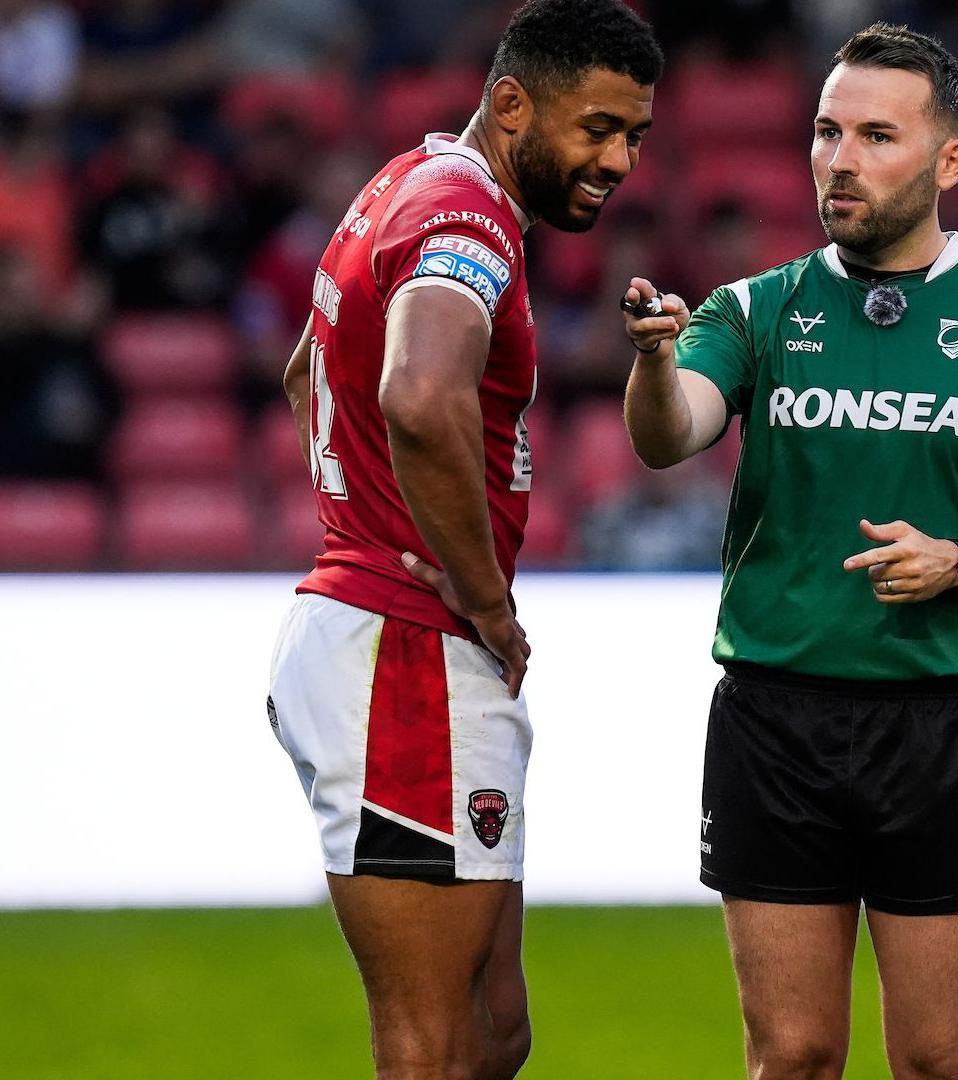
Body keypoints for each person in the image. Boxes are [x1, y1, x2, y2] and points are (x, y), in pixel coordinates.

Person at [621, 24, 958, 1080]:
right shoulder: (753, 310)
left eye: (875, 136)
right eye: (825, 131)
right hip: (775, 718)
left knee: (941, 1062)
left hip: (944, 725)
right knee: (792, 1056)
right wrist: (659, 364)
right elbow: (671, 434)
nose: (839, 159)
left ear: (948, 163)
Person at [265, 2, 662, 1076]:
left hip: (385, 635)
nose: (617, 160)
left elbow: (307, 369)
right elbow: (418, 391)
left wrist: (360, 517)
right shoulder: (467, 219)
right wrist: (481, 594)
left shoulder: (401, 183)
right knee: (438, 1049)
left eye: (634, 135)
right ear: (512, 103)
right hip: (404, 653)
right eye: (596, 129)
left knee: (493, 1033)